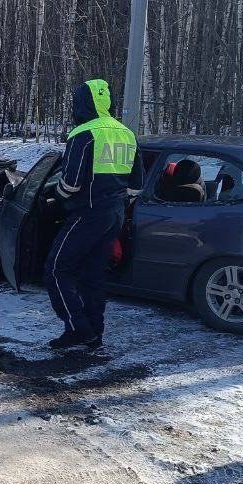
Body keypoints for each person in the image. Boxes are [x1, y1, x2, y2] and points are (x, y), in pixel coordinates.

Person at [43, 79, 144, 350]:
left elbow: (71, 183)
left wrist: (55, 198)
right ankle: (94, 334)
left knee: (55, 269)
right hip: (115, 213)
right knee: (93, 275)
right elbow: (136, 184)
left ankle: (78, 328)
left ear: (81, 102)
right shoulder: (126, 133)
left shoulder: (83, 134)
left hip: (86, 213)